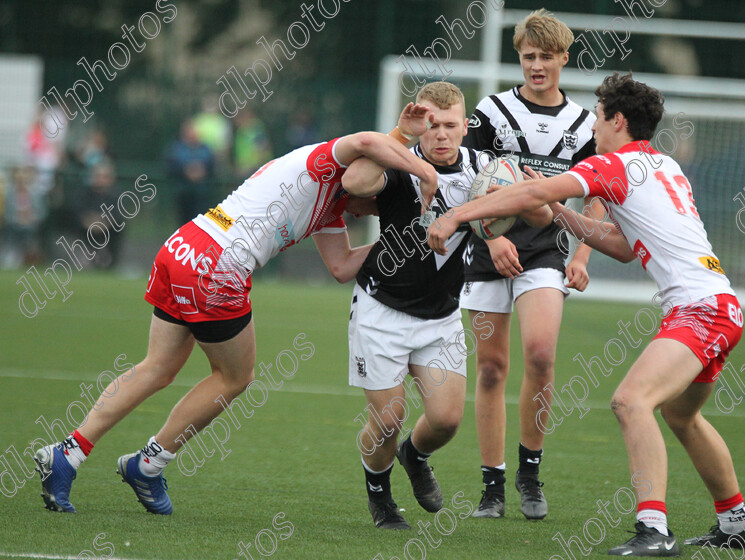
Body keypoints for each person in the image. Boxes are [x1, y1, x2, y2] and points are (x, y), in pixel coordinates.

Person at [428, 73, 745, 556]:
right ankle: (737, 524)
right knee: (680, 415)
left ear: (618, 121)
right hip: (718, 304)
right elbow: (625, 248)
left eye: (600, 118)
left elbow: (530, 197)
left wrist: (460, 214)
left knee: (630, 402)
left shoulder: (613, 162)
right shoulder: (662, 164)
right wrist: (561, 214)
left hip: (700, 310)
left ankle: (654, 529)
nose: (593, 129)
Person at [33, 127, 438, 515]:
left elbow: (341, 265)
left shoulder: (329, 207)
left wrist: (402, 235)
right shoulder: (323, 164)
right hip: (218, 265)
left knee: (156, 367)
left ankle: (66, 454)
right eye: (377, 196)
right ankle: (149, 465)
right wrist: (423, 169)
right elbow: (368, 143)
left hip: (184, 244)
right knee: (235, 377)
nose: (375, 204)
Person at [342, 81, 548, 530]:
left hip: (440, 315)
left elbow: (542, 214)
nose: (439, 134)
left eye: (449, 125)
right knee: (389, 418)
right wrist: (399, 135)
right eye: (430, 125)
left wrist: (497, 230)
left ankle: (413, 458)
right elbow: (352, 182)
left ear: (465, 125)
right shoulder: (401, 164)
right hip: (382, 307)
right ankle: (380, 494)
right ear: (420, 125)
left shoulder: (486, 168)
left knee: (447, 420)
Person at [460, 8, 600, 520]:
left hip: (543, 249)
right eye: (527, 57)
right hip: (486, 249)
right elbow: (466, 183)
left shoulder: (584, 124)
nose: (536, 66)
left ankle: (530, 474)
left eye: (545, 57)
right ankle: (491, 487)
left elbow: (595, 193)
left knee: (540, 355)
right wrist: (488, 235)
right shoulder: (492, 111)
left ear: (564, 57)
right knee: (493, 368)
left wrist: (583, 253)